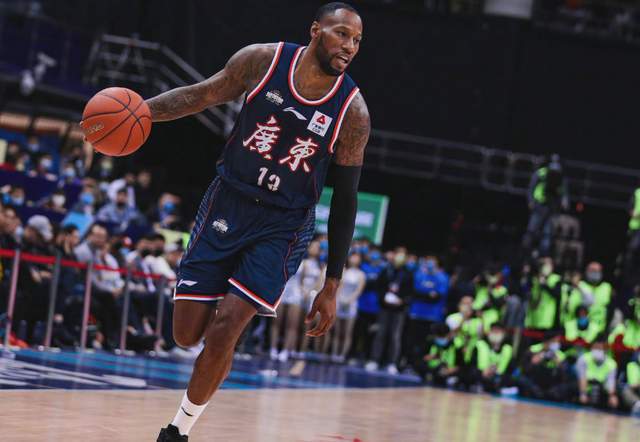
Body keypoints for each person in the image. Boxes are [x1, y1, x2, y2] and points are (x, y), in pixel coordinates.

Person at [116, 4, 370, 440]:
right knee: (185, 334)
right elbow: (199, 96)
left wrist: (332, 284)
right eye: (341, 33)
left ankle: (178, 430)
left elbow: (346, 200)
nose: (349, 46)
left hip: (282, 224)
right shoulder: (262, 61)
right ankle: (216, 340)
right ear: (315, 30)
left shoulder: (352, 112)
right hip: (227, 202)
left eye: (357, 40)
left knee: (227, 326)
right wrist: (137, 112)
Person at [74, 223, 124, 349]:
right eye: (98, 236)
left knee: (113, 303)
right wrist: (108, 291)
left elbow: (100, 277)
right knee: (107, 300)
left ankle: (111, 338)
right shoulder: (83, 252)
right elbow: (89, 279)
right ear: (90, 236)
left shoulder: (96, 252)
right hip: (83, 288)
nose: (102, 240)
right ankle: (107, 338)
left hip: (95, 290)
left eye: (103, 237)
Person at [366, 247, 413, 374]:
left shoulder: (408, 273)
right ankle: (374, 360)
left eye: (402, 255)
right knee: (380, 334)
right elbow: (379, 286)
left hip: (399, 309)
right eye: (398, 254)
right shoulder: (386, 269)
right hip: (384, 307)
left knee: (395, 336)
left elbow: (410, 292)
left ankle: (392, 363)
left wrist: (402, 301)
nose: (399, 257)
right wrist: (383, 298)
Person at [522, 154, 569, 257]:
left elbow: (564, 192)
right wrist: (530, 201)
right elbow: (531, 187)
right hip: (539, 204)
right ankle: (525, 250)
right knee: (532, 229)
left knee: (547, 232)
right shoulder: (541, 173)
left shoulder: (561, 177)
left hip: (552, 207)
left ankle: (543, 254)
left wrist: (564, 201)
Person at [406, 256, 449, 367]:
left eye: (432, 261)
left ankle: (422, 366)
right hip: (416, 314)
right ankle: (409, 364)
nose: (430, 263)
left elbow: (437, 296)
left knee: (427, 343)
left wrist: (425, 293)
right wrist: (429, 293)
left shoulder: (443, 278)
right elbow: (415, 291)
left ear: (437, 263)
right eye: (428, 261)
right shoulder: (419, 275)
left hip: (432, 316)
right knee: (412, 341)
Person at [331, 251, 365, 362]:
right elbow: (338, 287)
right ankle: (334, 353)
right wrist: (338, 299)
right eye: (353, 256)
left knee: (347, 331)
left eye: (357, 257)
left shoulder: (361, 274)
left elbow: (359, 290)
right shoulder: (343, 271)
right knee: (337, 330)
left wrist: (349, 300)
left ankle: (342, 355)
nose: (354, 259)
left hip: (351, 303)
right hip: (340, 301)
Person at [518, 332, 569, 401]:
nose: (556, 344)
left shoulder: (560, 356)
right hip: (535, 381)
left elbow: (565, 377)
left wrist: (559, 365)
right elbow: (524, 369)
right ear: (547, 341)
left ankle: (547, 395)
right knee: (522, 380)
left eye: (557, 342)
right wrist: (533, 363)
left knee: (564, 388)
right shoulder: (533, 350)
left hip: (551, 383)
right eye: (554, 341)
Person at [567, 262, 613, 334]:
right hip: (581, 330)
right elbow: (572, 308)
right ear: (586, 272)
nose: (595, 273)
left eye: (597, 271)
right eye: (592, 270)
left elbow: (610, 309)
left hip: (600, 330)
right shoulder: (580, 286)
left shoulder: (607, 287)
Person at [576, 337, 618, 410]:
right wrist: (583, 393)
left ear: (605, 350)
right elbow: (582, 378)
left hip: (601, 388)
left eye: (600, 348)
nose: (597, 350)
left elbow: (611, 382)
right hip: (584, 386)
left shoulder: (611, 364)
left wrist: (612, 396)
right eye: (595, 348)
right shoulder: (584, 358)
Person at [524, 257, 563, 331]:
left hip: (547, 321)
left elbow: (557, 295)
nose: (545, 267)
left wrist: (544, 285)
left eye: (547, 264)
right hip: (533, 319)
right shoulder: (535, 279)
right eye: (543, 264)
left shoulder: (556, 279)